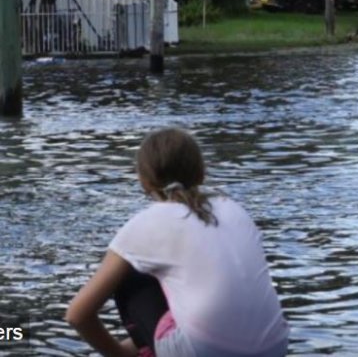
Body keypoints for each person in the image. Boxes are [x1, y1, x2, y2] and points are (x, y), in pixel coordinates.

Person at [66, 128, 289, 357]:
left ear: (143, 181)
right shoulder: (234, 208)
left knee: (130, 276)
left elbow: (78, 314)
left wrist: (118, 354)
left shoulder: (145, 224)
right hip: (274, 346)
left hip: (205, 352)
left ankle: (142, 351)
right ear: (202, 173)